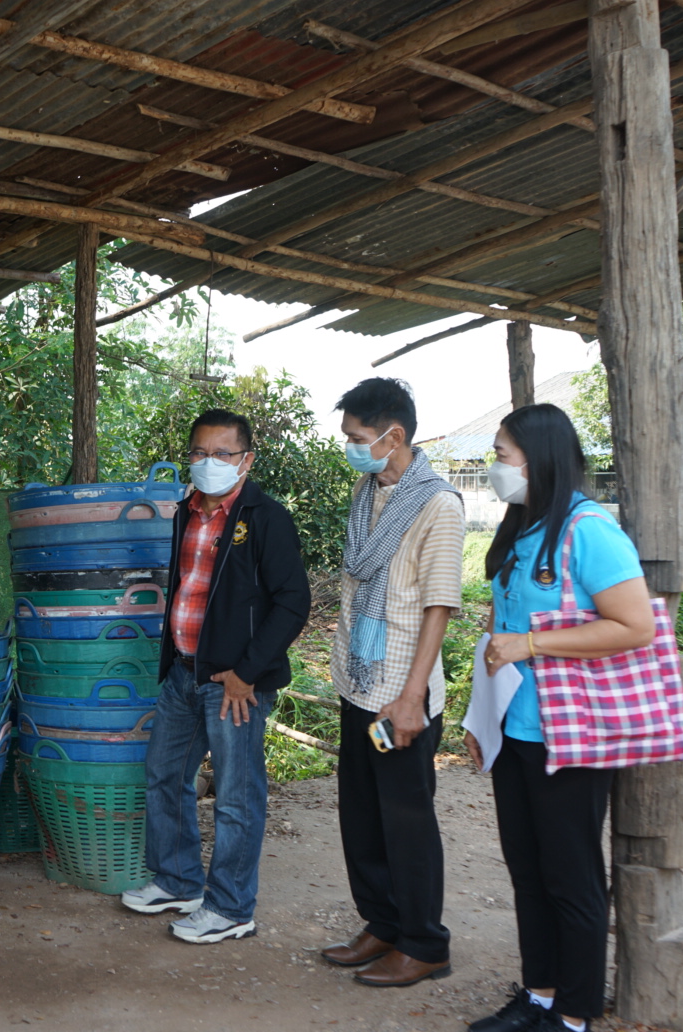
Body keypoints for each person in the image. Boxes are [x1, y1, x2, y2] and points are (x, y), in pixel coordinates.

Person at [464, 404, 653, 1032]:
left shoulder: (589, 530)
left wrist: (536, 644)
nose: (495, 467)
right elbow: (497, 635)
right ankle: (538, 996)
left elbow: (635, 625)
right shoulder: (521, 530)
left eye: (501, 455)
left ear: (539, 458)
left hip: (571, 733)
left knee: (571, 876)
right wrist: (479, 718)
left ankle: (574, 1015)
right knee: (527, 868)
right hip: (515, 730)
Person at [121, 409, 311, 944]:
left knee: (235, 795)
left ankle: (230, 908)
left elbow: (294, 602)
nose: (210, 463)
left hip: (236, 684)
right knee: (164, 774)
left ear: (246, 460)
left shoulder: (265, 517)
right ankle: (178, 881)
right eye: (200, 452)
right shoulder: (186, 511)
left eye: (223, 454)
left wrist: (247, 673)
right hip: (184, 672)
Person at [322, 377, 464, 988]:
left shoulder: (439, 505)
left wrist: (412, 699)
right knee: (361, 815)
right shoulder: (366, 490)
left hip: (399, 697)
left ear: (394, 435)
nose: (351, 447)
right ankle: (381, 923)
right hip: (359, 684)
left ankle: (424, 942)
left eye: (357, 437)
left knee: (406, 819)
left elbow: (440, 605)